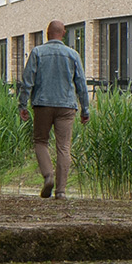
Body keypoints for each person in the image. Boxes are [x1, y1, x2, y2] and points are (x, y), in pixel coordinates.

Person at [17, 21, 90, 198]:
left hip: (43, 104)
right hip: (66, 106)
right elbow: (81, 84)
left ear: (47, 33)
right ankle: (61, 191)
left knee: (40, 141)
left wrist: (23, 105)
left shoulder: (37, 52)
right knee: (64, 147)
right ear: (63, 33)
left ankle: (48, 175)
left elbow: (27, 81)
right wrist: (85, 109)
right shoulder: (73, 54)